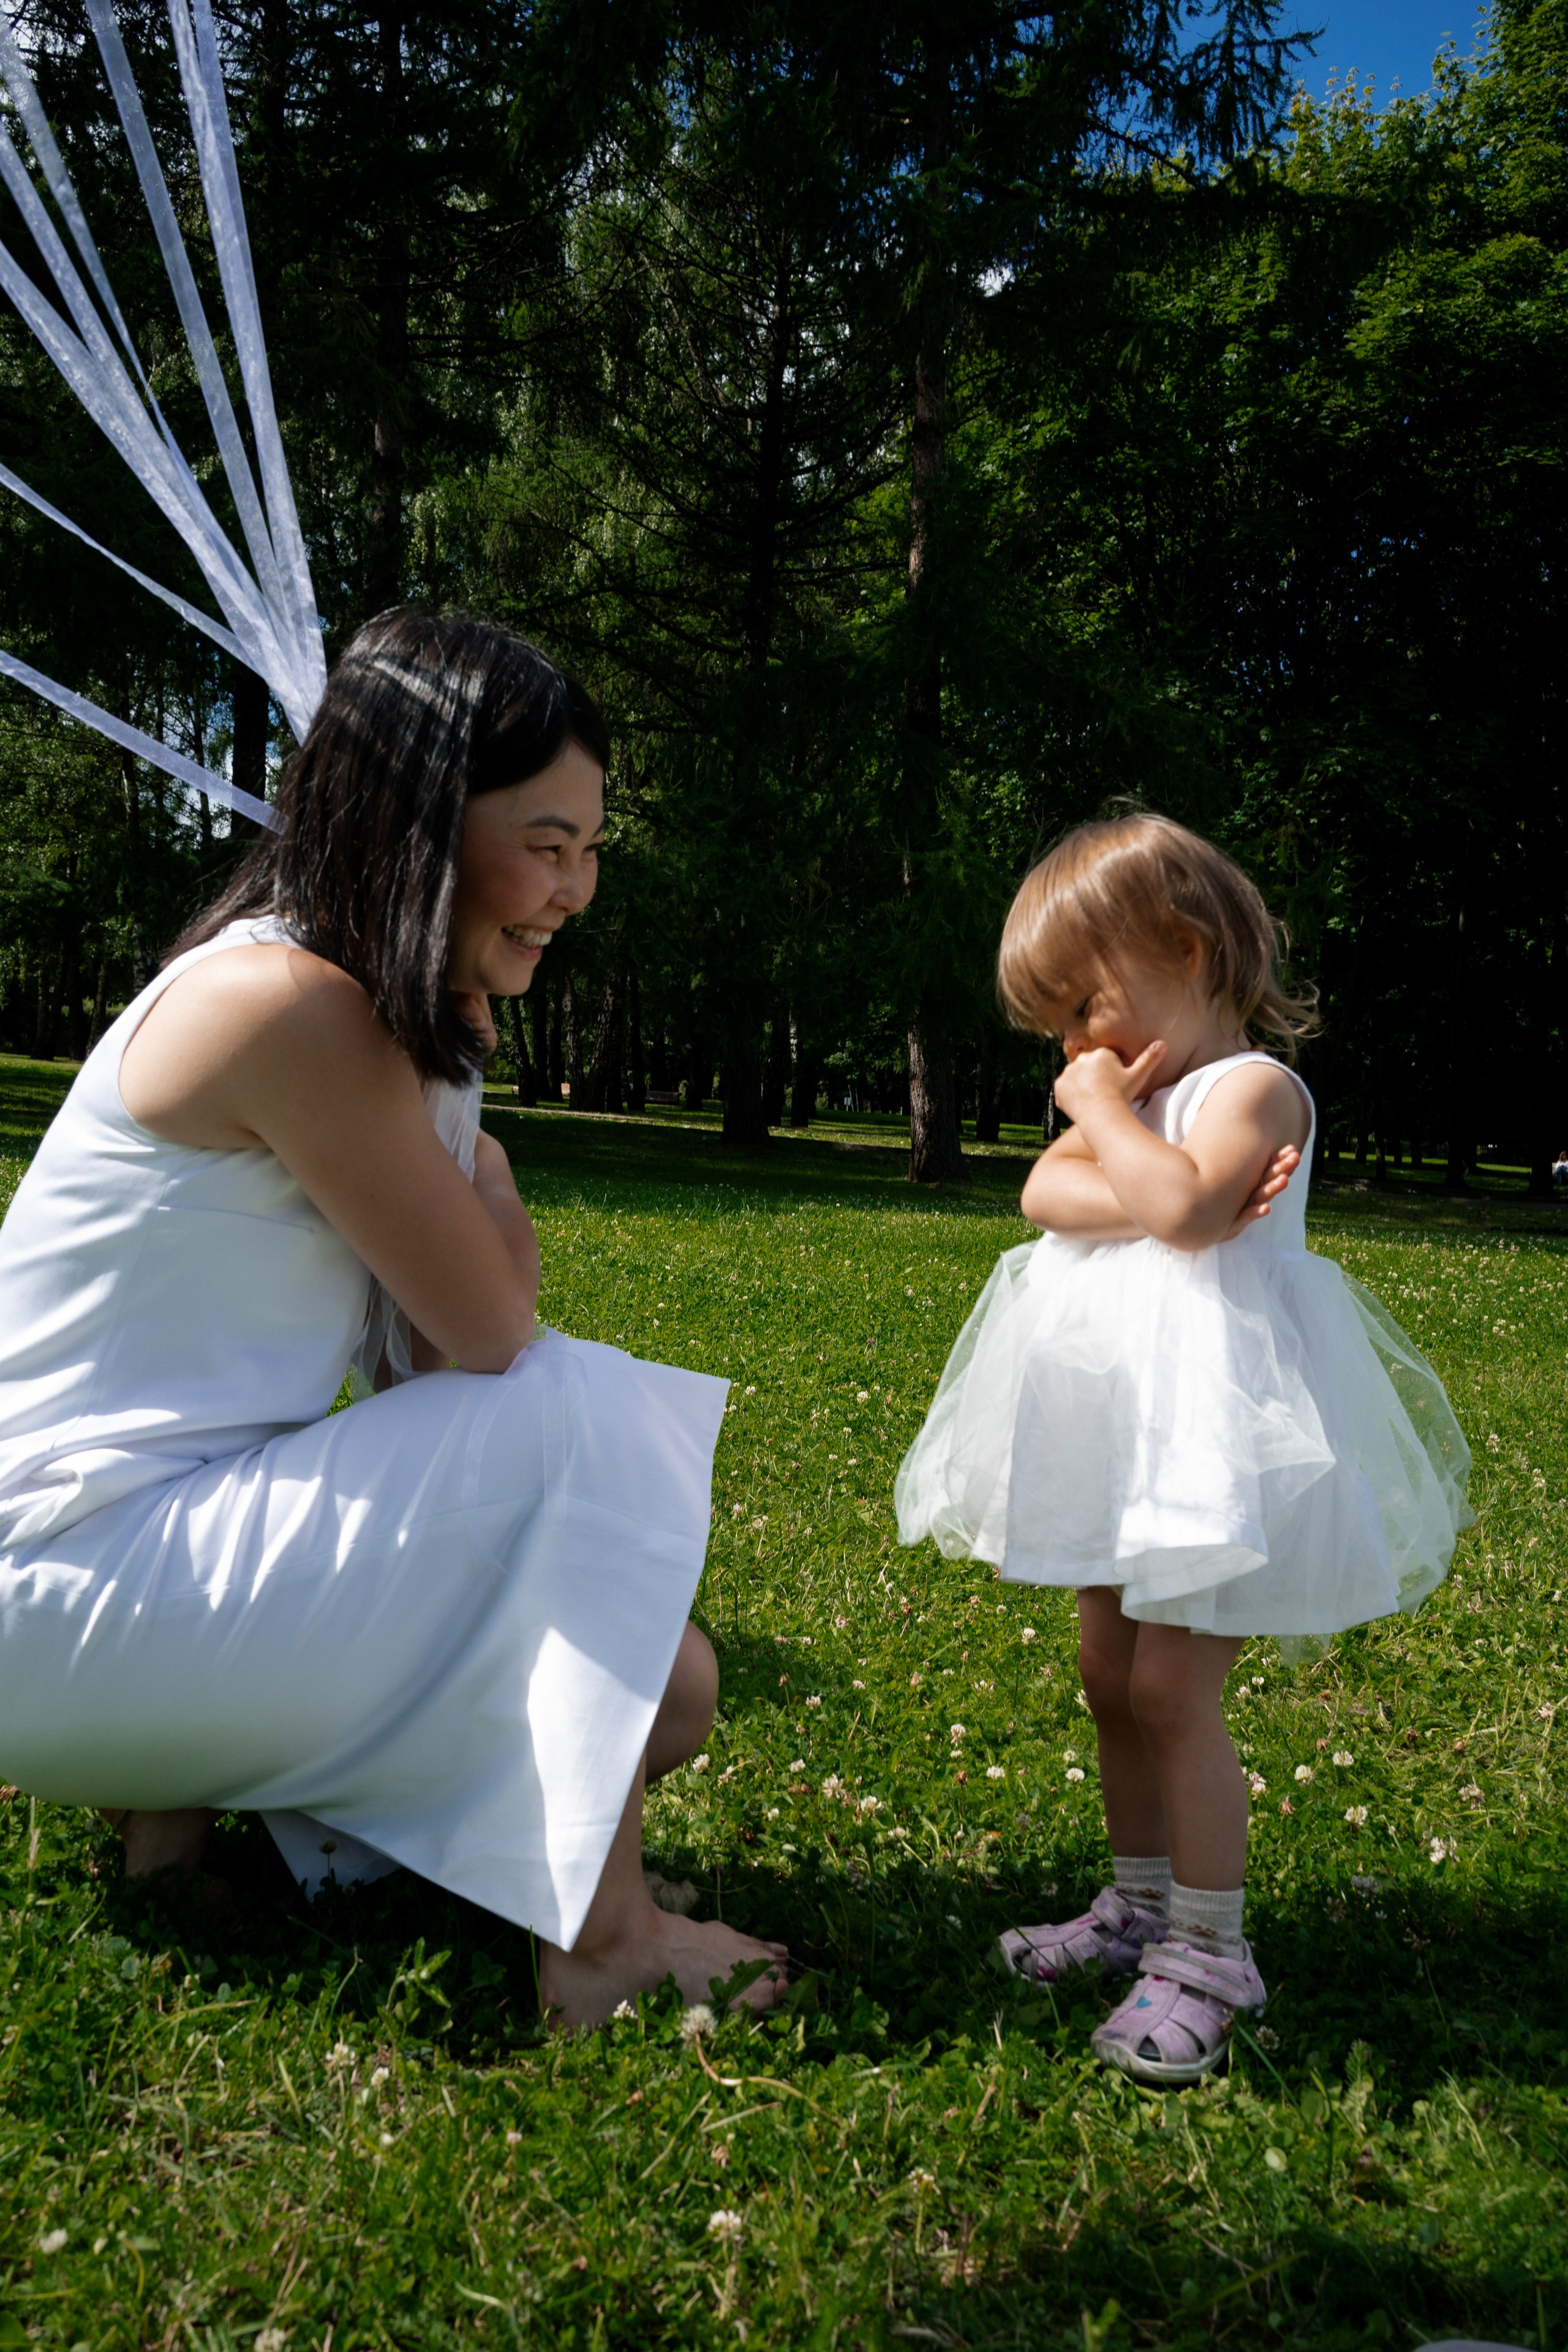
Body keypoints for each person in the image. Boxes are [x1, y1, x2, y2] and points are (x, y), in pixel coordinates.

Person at [0, 609, 786, 2029]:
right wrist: (476, 1142)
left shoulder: (352, 1001)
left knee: (661, 1692)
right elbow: (490, 1343)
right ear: (421, 820)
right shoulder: (287, 1001)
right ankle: (601, 1944)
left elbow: (423, 1358)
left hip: (114, 1576)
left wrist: (455, 1081)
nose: (576, 888)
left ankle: (175, 1821)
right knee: (574, 1410)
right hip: (54, 1594)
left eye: (590, 848)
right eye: (545, 844)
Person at [895, 813, 1470, 2084]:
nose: (1073, 1049)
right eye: (1057, 1028)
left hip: (1211, 1436)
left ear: (1185, 947)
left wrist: (1114, 1131)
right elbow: (1052, 1194)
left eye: (1086, 1004)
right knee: (1108, 1674)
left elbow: (1180, 1207)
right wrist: (1141, 1161)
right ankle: (1135, 1903)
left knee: (1168, 1689)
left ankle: (1211, 1951)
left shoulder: (1252, 1091)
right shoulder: (1144, 1105)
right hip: (1117, 1431)